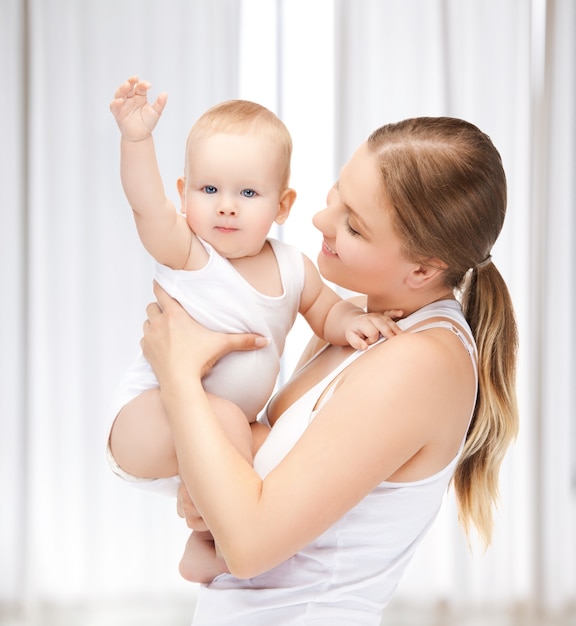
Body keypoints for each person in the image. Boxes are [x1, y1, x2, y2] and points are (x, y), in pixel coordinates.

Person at [137, 115, 519, 625]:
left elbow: (249, 545)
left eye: (353, 224)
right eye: (336, 194)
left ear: (424, 269)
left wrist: (180, 371)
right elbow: (251, 488)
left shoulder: (419, 362)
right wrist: (210, 489)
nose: (320, 220)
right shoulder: (355, 319)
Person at [107, 77, 401, 582]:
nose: (226, 205)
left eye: (247, 192)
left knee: (271, 445)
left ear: (282, 206)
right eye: (209, 189)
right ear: (185, 195)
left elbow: (327, 312)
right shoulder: (190, 255)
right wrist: (137, 140)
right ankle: (208, 540)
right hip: (147, 419)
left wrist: (355, 322)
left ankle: (219, 529)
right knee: (222, 417)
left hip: (223, 430)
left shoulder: (293, 267)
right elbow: (146, 207)